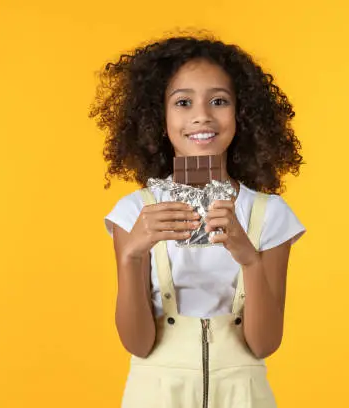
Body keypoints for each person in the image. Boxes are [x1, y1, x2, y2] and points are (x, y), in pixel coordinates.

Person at [89, 33, 306, 408]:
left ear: (242, 114)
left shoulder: (269, 214)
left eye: (218, 101)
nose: (201, 115)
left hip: (243, 393)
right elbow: (137, 344)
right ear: (159, 116)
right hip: (155, 393)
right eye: (183, 102)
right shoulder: (133, 212)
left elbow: (265, 344)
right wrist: (132, 256)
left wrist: (249, 258)